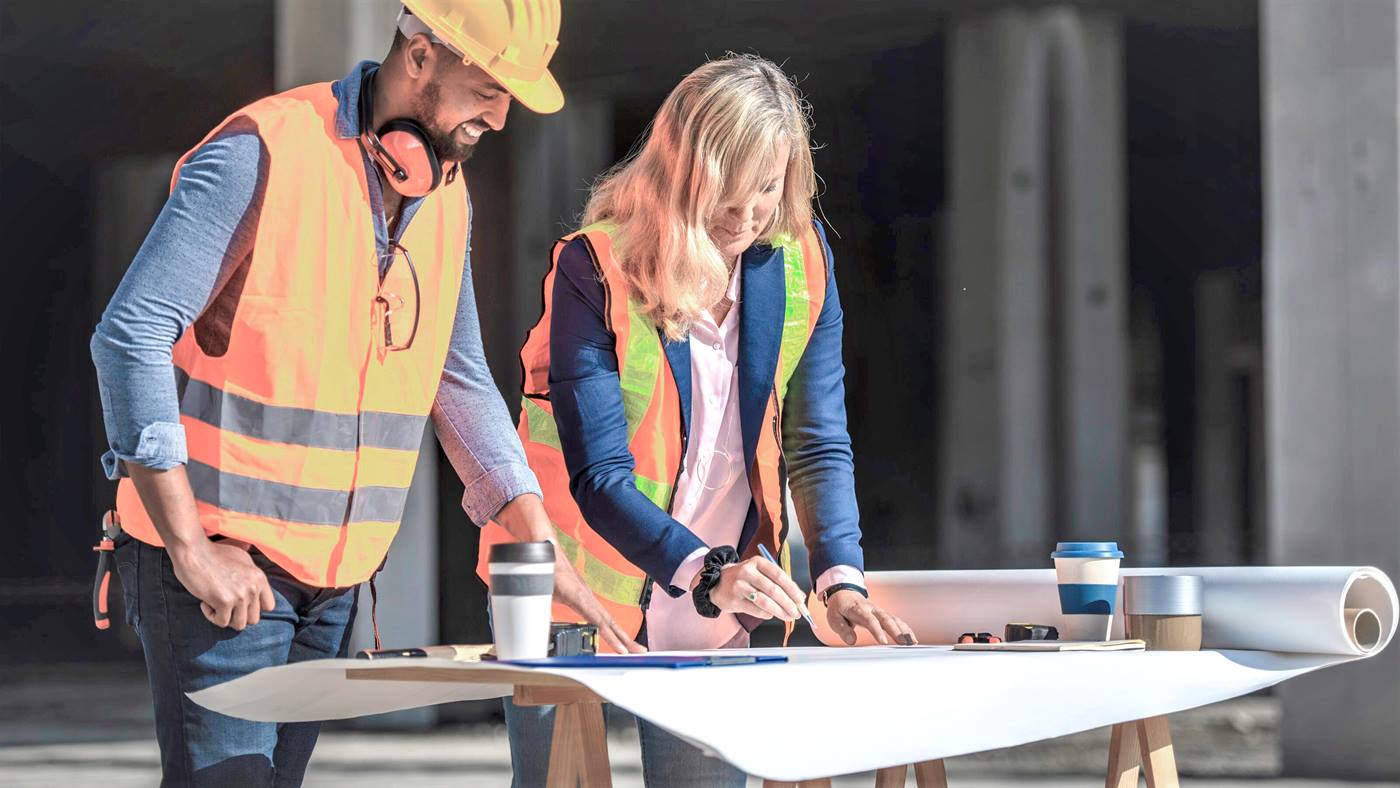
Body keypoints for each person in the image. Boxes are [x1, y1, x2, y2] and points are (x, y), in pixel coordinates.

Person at [89, 3, 631, 784]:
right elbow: (129, 334)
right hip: (219, 569)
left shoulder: (445, 200)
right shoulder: (263, 152)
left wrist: (534, 541)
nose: (501, 117)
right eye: (486, 88)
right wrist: (189, 549)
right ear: (420, 57)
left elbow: (462, 380)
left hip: (334, 586)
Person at [477, 53, 917, 787]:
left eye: (768, 191)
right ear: (682, 174)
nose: (747, 219)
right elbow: (599, 475)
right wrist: (707, 571)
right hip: (575, 590)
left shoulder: (802, 264)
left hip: (720, 591)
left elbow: (817, 443)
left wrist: (842, 578)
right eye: (728, 196)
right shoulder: (594, 267)